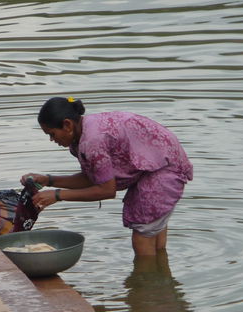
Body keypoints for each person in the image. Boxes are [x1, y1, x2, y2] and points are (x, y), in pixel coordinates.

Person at [21, 96, 193, 256]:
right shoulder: (81, 136)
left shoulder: (92, 141)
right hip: (158, 162)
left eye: (52, 133)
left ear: (67, 125)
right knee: (152, 228)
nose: (52, 139)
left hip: (164, 167)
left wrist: (57, 195)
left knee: (143, 233)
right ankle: (160, 282)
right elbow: (93, 178)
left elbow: (106, 190)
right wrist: (48, 180)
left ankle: (145, 283)